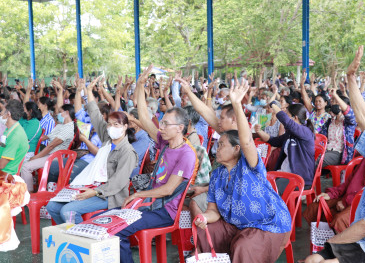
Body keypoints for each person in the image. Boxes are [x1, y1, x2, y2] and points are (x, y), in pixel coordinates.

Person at [194, 78, 291, 263]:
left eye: (221, 145)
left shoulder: (248, 164)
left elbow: (246, 141)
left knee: (243, 245)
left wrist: (238, 104)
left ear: (236, 149)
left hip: (267, 224)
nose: (217, 149)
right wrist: (204, 217)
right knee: (206, 229)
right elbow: (213, 211)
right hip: (237, 225)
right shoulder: (217, 175)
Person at [111, 65, 197, 263]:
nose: (162, 126)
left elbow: (168, 189)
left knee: (118, 230)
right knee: (108, 218)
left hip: (165, 211)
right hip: (150, 204)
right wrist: (140, 87)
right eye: (163, 122)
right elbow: (145, 118)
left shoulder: (187, 153)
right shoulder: (165, 142)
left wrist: (138, 194)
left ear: (180, 128)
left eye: (166, 124)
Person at [306, 46, 365, 263]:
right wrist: (350, 77)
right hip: (360, 237)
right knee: (313, 259)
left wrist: (330, 247)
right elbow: (364, 120)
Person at [46, 76, 138, 224]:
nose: (111, 127)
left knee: (68, 210)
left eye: (116, 124)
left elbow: (118, 182)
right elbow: (95, 115)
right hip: (91, 186)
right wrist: (88, 91)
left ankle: (78, 240)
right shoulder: (108, 140)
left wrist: (95, 192)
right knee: (52, 206)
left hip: (108, 195)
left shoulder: (127, 152)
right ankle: (68, 234)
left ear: (125, 127)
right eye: (109, 124)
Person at [255, 103, 315, 193]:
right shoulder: (290, 133)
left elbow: (288, 122)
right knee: (257, 182)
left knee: (264, 191)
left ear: (295, 118)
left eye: (287, 115)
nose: (285, 118)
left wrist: (275, 106)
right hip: (284, 173)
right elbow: (274, 141)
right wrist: (259, 131)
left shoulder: (305, 131)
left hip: (298, 177)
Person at [303, 157, 365, 233]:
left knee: (340, 220)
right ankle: (321, 240)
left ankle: (340, 243)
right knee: (315, 207)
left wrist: (346, 203)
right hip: (348, 197)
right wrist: (331, 194)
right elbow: (349, 182)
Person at [20, 103, 75, 192]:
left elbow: (51, 146)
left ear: (67, 112)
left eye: (60, 112)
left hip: (55, 157)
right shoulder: (61, 125)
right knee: (25, 162)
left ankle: (29, 193)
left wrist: (36, 157)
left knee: (26, 167)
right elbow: (47, 137)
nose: (58, 114)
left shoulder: (68, 129)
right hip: (50, 154)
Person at [319, 89, 356, 168]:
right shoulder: (330, 121)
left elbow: (350, 114)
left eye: (337, 103)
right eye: (333, 102)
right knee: (308, 156)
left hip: (339, 153)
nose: (334, 105)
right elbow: (321, 136)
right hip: (326, 149)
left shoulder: (348, 123)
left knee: (318, 160)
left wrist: (335, 95)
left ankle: (306, 179)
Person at [0, 100, 29, 180]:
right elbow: (3, 145)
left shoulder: (16, 135)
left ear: (8, 114)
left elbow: (2, 165)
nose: (0, 114)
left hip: (5, 175)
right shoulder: (10, 130)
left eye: (2, 112)